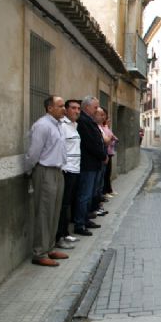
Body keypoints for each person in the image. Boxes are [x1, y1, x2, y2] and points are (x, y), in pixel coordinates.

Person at [25, 96, 68, 266]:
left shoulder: (58, 125)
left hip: (58, 171)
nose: (63, 109)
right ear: (49, 108)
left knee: (54, 211)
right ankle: (39, 253)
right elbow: (34, 152)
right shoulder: (42, 125)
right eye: (60, 106)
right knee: (44, 213)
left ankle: (49, 248)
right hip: (45, 171)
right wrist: (30, 171)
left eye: (64, 105)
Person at [74, 96, 107, 236]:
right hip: (87, 165)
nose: (96, 110)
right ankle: (79, 224)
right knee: (84, 195)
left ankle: (85, 219)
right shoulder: (83, 122)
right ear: (87, 107)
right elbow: (91, 143)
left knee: (89, 194)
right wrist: (102, 155)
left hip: (93, 164)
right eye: (95, 107)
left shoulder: (89, 121)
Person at [55, 99, 82, 250]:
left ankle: (65, 233)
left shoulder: (74, 126)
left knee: (67, 204)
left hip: (75, 170)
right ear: (66, 109)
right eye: (73, 108)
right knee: (63, 205)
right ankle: (59, 237)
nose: (77, 111)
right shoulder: (62, 126)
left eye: (78, 108)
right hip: (66, 170)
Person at [101, 113, 118, 198]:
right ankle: (105, 192)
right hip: (107, 152)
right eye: (108, 120)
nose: (110, 121)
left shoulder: (107, 128)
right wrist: (112, 140)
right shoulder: (103, 128)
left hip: (110, 152)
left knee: (108, 173)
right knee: (105, 174)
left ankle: (109, 190)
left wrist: (112, 140)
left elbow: (113, 138)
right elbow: (109, 139)